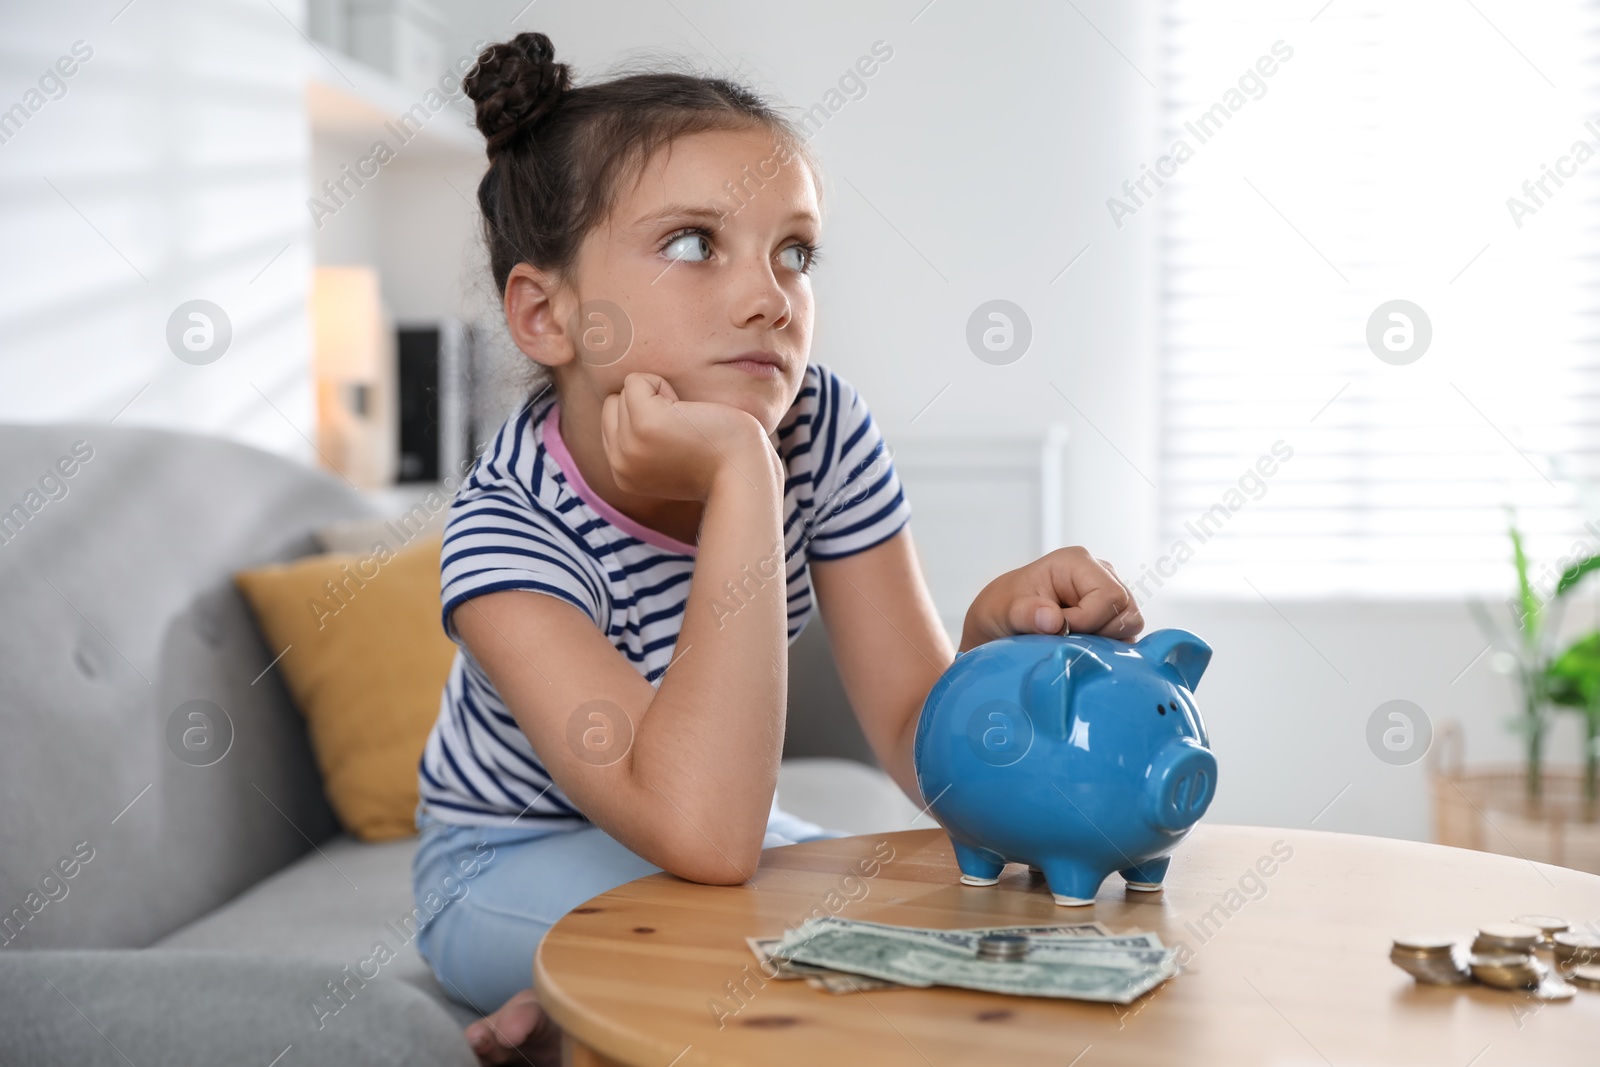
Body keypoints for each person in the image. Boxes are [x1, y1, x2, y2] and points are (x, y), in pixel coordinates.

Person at [409, 31, 1144, 1065]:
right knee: (776, 943)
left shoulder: (821, 425)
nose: (770, 294)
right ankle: (581, 998)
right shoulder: (508, 533)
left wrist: (993, 639)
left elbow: (916, 742)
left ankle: (579, 1007)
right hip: (502, 859)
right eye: (694, 242)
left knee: (918, 919)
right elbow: (702, 833)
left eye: (793, 250)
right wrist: (741, 477)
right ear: (546, 312)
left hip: (709, 830)